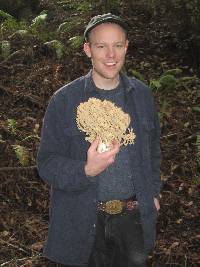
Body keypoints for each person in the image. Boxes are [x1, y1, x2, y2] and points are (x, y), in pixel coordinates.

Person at [37, 13, 161, 267]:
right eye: (101, 46)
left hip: (131, 222)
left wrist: (154, 193)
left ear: (126, 47)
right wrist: (86, 170)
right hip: (81, 220)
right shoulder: (64, 101)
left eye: (117, 45)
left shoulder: (142, 96)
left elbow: (153, 151)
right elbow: (47, 164)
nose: (111, 55)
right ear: (88, 50)